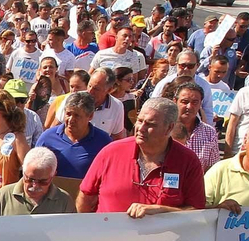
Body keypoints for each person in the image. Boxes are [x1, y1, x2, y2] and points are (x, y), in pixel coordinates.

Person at [77, 97, 207, 217]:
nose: (141, 128)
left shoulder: (188, 161)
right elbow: (86, 198)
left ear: (169, 128)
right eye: (139, 121)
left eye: (150, 124)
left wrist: (162, 210)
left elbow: (196, 211)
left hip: (163, 240)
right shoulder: (111, 152)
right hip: (110, 238)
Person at [36, 93, 110, 180]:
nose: (71, 120)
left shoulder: (103, 141)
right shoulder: (47, 138)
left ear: (90, 116)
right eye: (68, 114)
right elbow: (34, 165)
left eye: (77, 116)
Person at [0, 146, 75, 216]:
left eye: (43, 181)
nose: (35, 186)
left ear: (53, 176)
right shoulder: (3, 197)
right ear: (23, 171)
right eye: (30, 179)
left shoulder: (64, 201)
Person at [167, 79, 220, 173]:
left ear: (200, 103)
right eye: (184, 101)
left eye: (195, 102)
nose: (189, 106)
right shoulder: (164, 129)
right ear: (175, 101)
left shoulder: (209, 132)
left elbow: (213, 168)